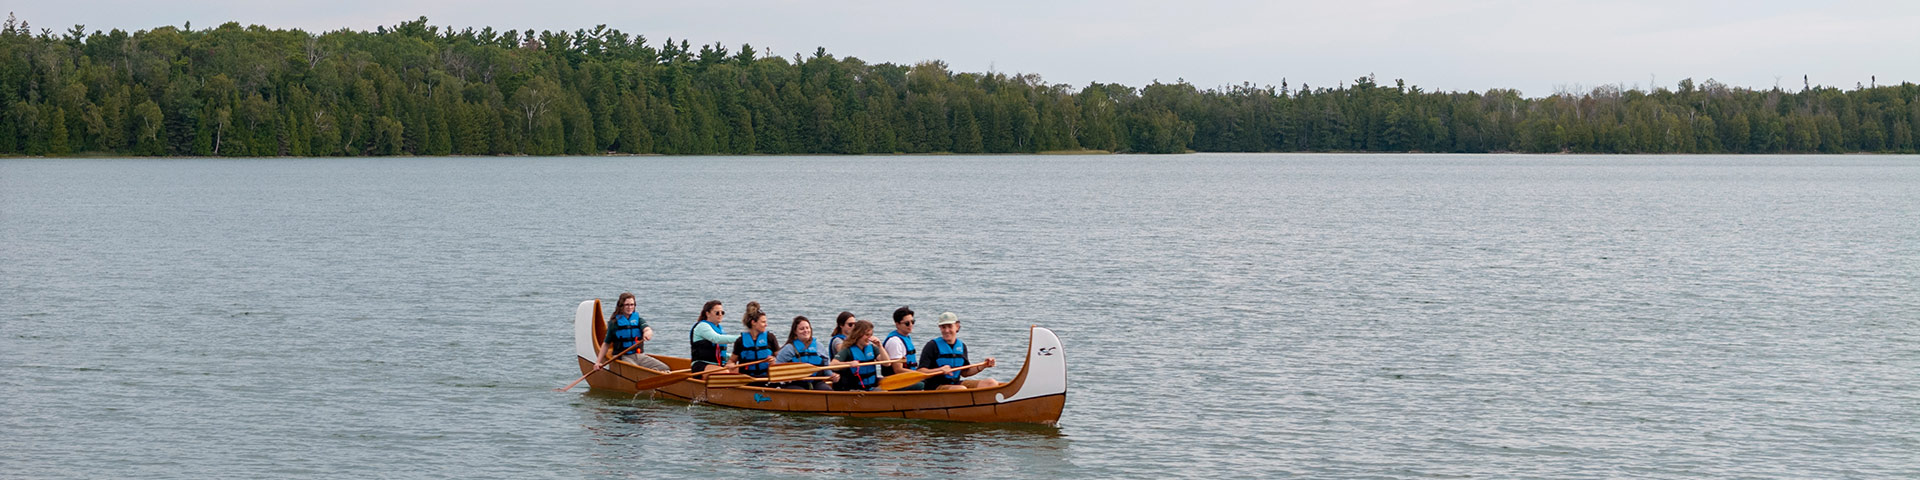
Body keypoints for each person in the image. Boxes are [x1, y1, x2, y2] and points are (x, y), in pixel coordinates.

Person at [918, 312, 997, 390]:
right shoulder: (932, 346)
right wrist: (940, 370)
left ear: (957, 326)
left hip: (956, 383)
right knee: (961, 389)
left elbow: (965, 372)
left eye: (949, 326)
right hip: (936, 386)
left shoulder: (962, 346)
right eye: (943, 327)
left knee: (991, 383)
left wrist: (983, 365)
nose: (946, 330)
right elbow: (921, 372)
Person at [601, 292, 668, 371]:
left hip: (639, 355)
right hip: (623, 356)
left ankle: (652, 377)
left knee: (664, 368)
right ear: (621, 306)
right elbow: (606, 344)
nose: (630, 307)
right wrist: (599, 362)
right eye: (627, 305)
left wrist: (648, 333)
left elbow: (647, 329)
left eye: (632, 304)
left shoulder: (638, 320)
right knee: (636, 370)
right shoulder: (614, 323)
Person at [773, 316, 839, 390]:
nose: (805, 331)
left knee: (827, 390)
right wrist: (785, 377)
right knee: (800, 392)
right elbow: (777, 369)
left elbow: (826, 369)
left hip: (816, 382)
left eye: (807, 328)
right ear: (795, 332)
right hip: (795, 383)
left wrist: (833, 376)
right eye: (802, 329)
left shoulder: (819, 346)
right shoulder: (788, 349)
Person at [832, 320, 899, 391]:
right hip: (854, 389)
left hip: (871, 386)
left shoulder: (872, 348)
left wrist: (880, 346)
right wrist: (849, 363)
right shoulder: (847, 350)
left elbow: (887, 363)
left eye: (871, 335)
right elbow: (833, 365)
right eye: (867, 335)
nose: (869, 338)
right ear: (858, 334)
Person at [881, 306, 933, 390]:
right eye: (907, 323)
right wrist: (918, 374)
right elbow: (898, 370)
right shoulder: (895, 341)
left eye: (912, 322)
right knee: (923, 385)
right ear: (897, 324)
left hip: (907, 377)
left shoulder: (906, 337)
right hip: (896, 381)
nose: (911, 325)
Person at [687, 300, 740, 372]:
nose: (720, 314)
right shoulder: (702, 326)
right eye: (717, 313)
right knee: (725, 372)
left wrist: (739, 357)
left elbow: (720, 354)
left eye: (722, 312)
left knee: (744, 371)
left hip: (718, 365)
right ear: (707, 314)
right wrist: (742, 338)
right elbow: (716, 339)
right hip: (702, 365)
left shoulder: (719, 329)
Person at [729, 308, 779, 382]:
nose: (766, 325)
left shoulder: (770, 338)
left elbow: (781, 358)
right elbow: (732, 361)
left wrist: (774, 361)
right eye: (763, 322)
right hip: (747, 379)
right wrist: (731, 365)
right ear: (753, 322)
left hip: (767, 378)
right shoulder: (740, 341)